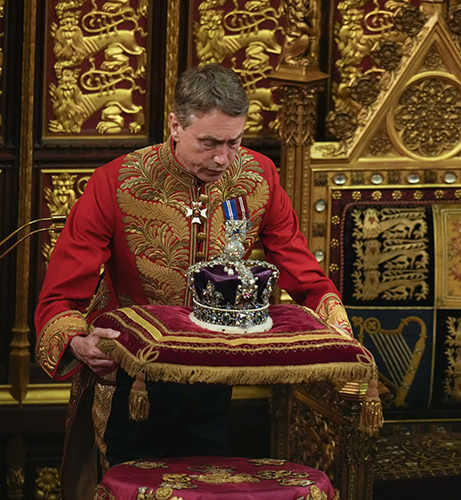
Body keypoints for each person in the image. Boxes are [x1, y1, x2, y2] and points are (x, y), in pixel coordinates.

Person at [34, 64, 351, 497]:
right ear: (175, 126)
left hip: (214, 378)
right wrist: (79, 342)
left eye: (234, 142)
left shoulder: (257, 177)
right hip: (130, 380)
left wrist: (337, 325)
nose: (223, 158)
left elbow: (304, 274)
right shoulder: (116, 182)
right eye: (209, 143)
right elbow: (59, 298)